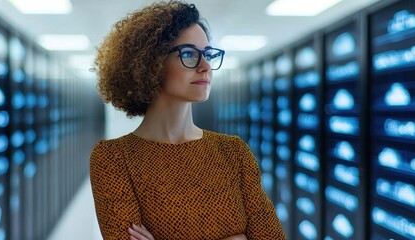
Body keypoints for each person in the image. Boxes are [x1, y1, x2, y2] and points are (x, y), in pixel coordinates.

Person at [89, 1, 287, 239]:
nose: (205, 67)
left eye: (208, 55)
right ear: (152, 64)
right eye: (190, 54)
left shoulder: (234, 152)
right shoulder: (112, 159)